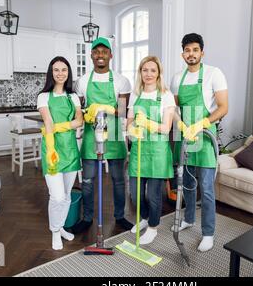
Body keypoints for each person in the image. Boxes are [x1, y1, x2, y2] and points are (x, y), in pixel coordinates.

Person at [170, 33, 228, 252]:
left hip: (204, 137)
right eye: (187, 50)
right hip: (185, 135)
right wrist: (182, 125)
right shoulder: (178, 78)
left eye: (195, 49)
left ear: (202, 52)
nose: (191, 54)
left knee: (206, 187)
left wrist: (202, 123)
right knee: (187, 183)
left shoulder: (214, 73)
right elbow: (173, 107)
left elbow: (223, 107)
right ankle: (189, 219)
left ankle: (208, 233)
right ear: (182, 53)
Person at [73, 37, 133, 233]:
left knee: (118, 179)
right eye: (96, 51)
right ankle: (87, 217)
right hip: (92, 132)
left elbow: (123, 111)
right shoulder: (82, 81)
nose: (100, 55)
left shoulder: (121, 81)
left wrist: (106, 108)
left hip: (114, 133)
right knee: (88, 180)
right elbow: (78, 110)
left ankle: (120, 216)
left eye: (104, 51)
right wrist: (89, 112)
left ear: (110, 55)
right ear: (91, 55)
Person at [127, 56, 176, 245]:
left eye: (152, 70)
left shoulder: (166, 95)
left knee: (153, 195)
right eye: (145, 70)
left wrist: (146, 123)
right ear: (140, 72)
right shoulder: (135, 94)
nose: (148, 74)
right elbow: (130, 121)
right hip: (139, 150)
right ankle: (144, 219)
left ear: (158, 74)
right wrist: (132, 129)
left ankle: (153, 227)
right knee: (136, 193)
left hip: (157, 152)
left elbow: (166, 127)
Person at [37, 56, 83, 250]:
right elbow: (47, 122)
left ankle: (61, 226)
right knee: (56, 196)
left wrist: (60, 126)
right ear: (51, 72)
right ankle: (55, 232)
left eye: (64, 70)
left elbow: (79, 121)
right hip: (53, 149)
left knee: (66, 195)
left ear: (68, 73)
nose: (60, 73)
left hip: (71, 149)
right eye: (56, 70)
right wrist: (51, 149)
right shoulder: (43, 96)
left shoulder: (72, 96)